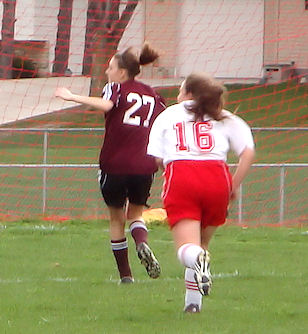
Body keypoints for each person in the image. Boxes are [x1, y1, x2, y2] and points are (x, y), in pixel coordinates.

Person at [55, 43, 166, 283]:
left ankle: (126, 276)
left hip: (114, 163)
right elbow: (162, 124)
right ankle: (142, 243)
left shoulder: (115, 88)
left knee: (117, 218)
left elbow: (107, 105)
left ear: (122, 73)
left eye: (110, 68)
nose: (107, 72)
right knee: (136, 214)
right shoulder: (153, 94)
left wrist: (72, 96)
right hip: (144, 165)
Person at [147, 72, 255, 313]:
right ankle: (193, 305)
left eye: (180, 90)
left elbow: (157, 159)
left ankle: (196, 260)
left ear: (189, 94)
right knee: (202, 243)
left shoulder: (169, 114)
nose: (177, 96)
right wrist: (233, 185)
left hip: (183, 175)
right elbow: (247, 152)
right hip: (217, 176)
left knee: (187, 248)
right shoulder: (224, 116)